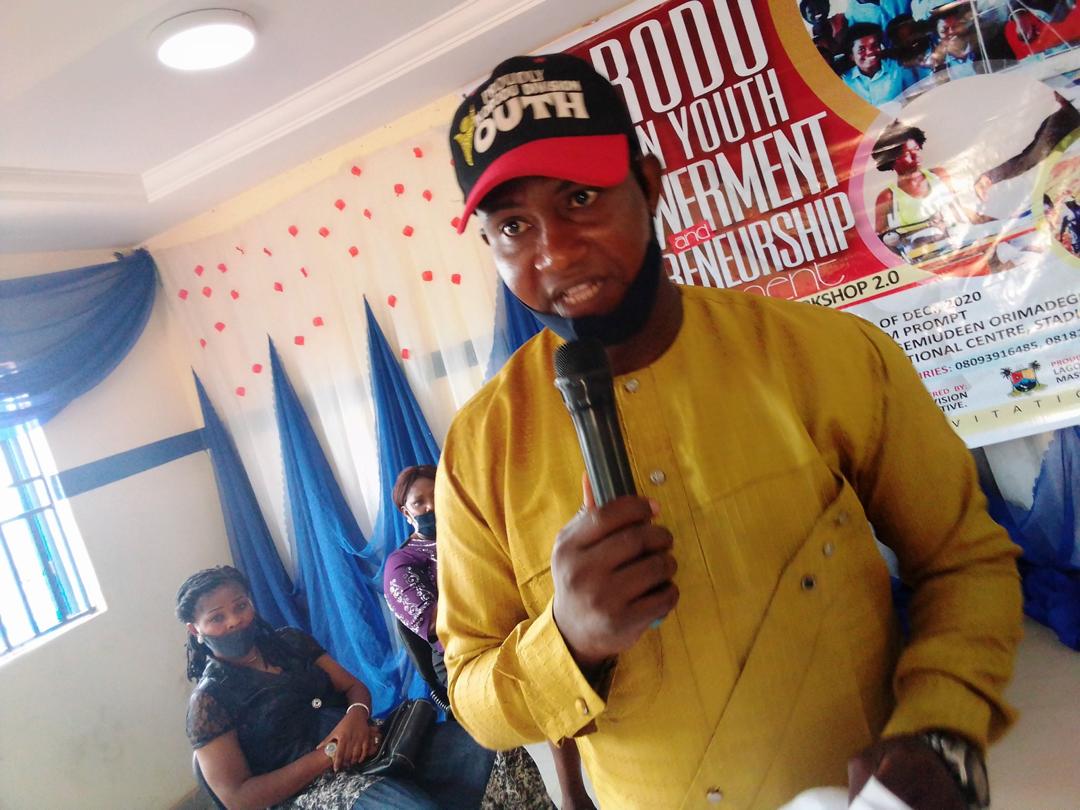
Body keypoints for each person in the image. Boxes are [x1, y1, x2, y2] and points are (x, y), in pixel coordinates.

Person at [436, 53, 1022, 809]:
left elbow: (963, 560)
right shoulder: (479, 451)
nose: (554, 250)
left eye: (580, 197)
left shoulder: (825, 354)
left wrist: (939, 729)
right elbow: (473, 696)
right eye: (514, 226)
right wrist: (568, 641)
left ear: (648, 184)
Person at [177, 565, 495, 809]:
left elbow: (354, 688)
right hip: (308, 792)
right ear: (195, 630)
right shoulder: (210, 701)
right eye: (217, 618)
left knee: (491, 751)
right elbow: (238, 798)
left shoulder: (290, 642)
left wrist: (355, 717)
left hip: (370, 745)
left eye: (240, 606)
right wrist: (329, 754)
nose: (234, 621)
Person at [384, 464, 595, 810]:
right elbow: (435, 623)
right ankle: (574, 795)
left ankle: (584, 777)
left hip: (507, 630)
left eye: (436, 494)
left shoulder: (472, 533)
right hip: (460, 656)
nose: (431, 505)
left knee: (559, 630)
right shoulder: (401, 565)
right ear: (406, 514)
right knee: (539, 660)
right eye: (419, 502)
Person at [873, 122, 995, 250]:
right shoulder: (887, 197)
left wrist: (993, 223)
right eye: (908, 153)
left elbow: (959, 210)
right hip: (920, 254)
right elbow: (883, 241)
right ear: (893, 160)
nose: (916, 155)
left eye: (916, 149)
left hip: (959, 245)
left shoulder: (939, 175)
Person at [840, 23, 923, 106]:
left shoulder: (898, 67)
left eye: (874, 45)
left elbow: (916, 95)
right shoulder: (845, 81)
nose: (870, 52)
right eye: (861, 49)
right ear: (852, 56)